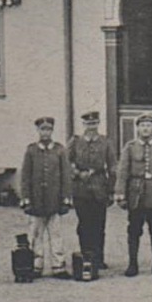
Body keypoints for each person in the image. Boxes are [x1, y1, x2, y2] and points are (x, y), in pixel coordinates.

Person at [114, 112, 152, 277]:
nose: (145, 129)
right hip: (136, 195)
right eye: (142, 125)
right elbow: (122, 171)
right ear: (138, 128)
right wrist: (120, 194)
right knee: (134, 230)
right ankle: (132, 264)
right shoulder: (130, 147)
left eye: (149, 125)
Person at [19, 116, 73, 278]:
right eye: (42, 129)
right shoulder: (31, 151)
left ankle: (58, 266)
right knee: (35, 235)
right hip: (36, 201)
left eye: (48, 129)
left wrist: (66, 199)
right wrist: (26, 199)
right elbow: (25, 177)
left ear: (52, 131)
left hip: (54, 201)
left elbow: (66, 176)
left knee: (56, 235)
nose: (45, 132)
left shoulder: (60, 150)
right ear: (38, 131)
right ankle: (37, 265)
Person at [67, 110, 116, 273]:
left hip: (99, 186)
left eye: (94, 123)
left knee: (99, 224)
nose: (91, 127)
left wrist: (111, 189)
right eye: (88, 124)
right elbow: (66, 163)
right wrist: (77, 173)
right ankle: (86, 255)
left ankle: (98, 258)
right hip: (81, 188)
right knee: (83, 224)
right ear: (83, 125)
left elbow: (112, 167)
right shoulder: (75, 142)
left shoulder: (105, 142)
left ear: (98, 124)